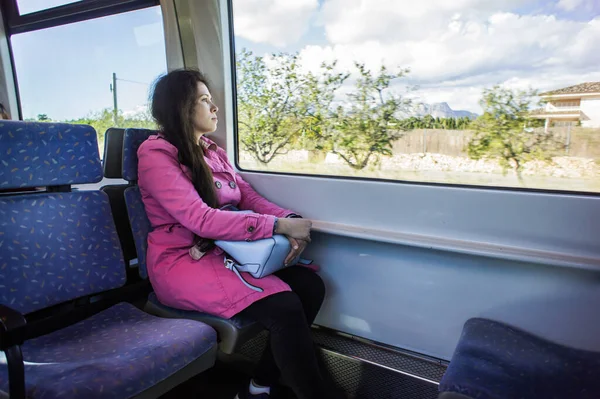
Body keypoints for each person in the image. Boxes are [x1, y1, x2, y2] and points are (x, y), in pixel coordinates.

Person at [138, 69, 339, 399]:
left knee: (310, 285)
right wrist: (277, 227)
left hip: (222, 252)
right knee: (285, 307)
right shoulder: (156, 154)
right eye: (204, 100)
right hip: (181, 263)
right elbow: (200, 219)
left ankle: (258, 386)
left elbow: (248, 197)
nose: (214, 107)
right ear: (182, 107)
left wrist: (291, 219)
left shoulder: (213, 152)